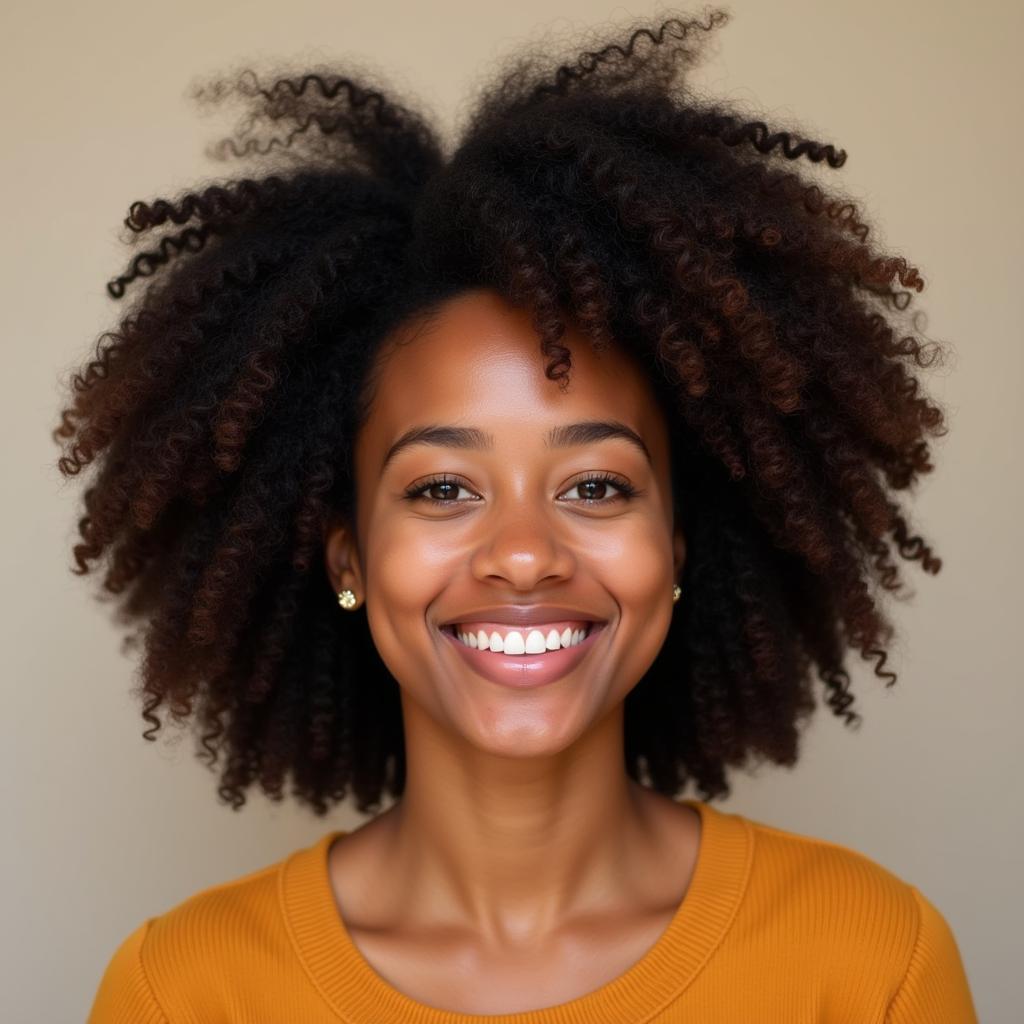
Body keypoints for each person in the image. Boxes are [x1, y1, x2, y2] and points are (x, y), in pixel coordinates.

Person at [58, 8, 978, 1022]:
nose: (526, 555)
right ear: (348, 557)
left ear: (673, 550)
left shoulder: (870, 963)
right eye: (442, 489)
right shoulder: (184, 992)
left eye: (596, 485)